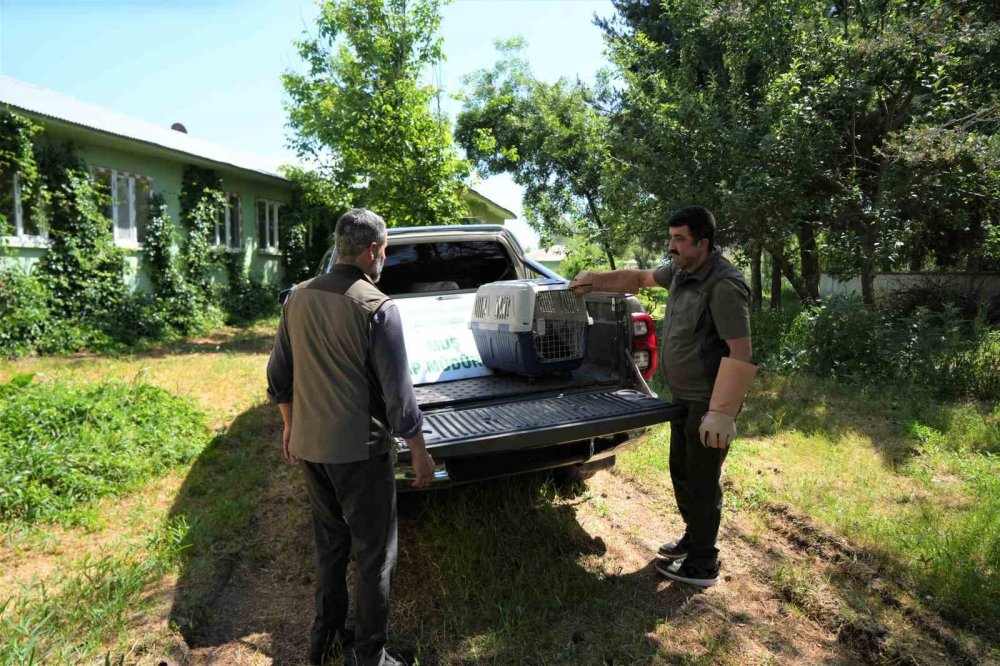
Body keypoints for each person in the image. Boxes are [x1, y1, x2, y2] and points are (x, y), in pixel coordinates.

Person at [267, 208, 435, 666]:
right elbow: (399, 398)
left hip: (311, 449)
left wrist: (290, 425)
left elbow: (278, 377)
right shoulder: (378, 308)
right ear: (372, 250)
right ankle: (369, 656)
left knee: (330, 546)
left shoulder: (297, 298)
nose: (385, 258)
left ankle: (324, 641)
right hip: (360, 452)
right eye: (385, 250)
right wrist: (419, 452)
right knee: (375, 556)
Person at [570, 206, 756, 588]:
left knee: (702, 481)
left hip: (707, 402)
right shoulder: (681, 271)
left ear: (703, 243)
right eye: (670, 238)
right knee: (682, 473)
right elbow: (638, 278)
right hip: (682, 398)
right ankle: (693, 538)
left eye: (680, 239)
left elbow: (741, 351)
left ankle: (703, 563)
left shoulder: (723, 285)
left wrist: (722, 412)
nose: (671, 246)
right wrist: (594, 280)